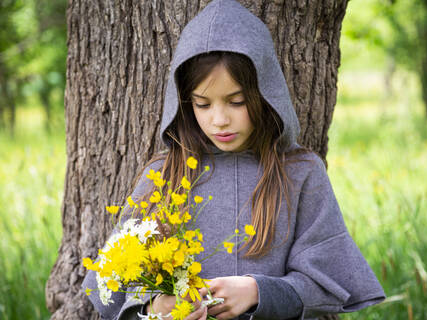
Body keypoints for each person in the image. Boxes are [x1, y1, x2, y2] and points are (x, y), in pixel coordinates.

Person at [81, 0, 386, 319]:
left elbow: (328, 283)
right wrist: (153, 308)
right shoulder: (165, 175)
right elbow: (112, 282)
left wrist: (258, 292)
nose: (219, 120)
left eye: (236, 101)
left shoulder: (300, 173)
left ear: (265, 94)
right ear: (186, 103)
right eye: (202, 104)